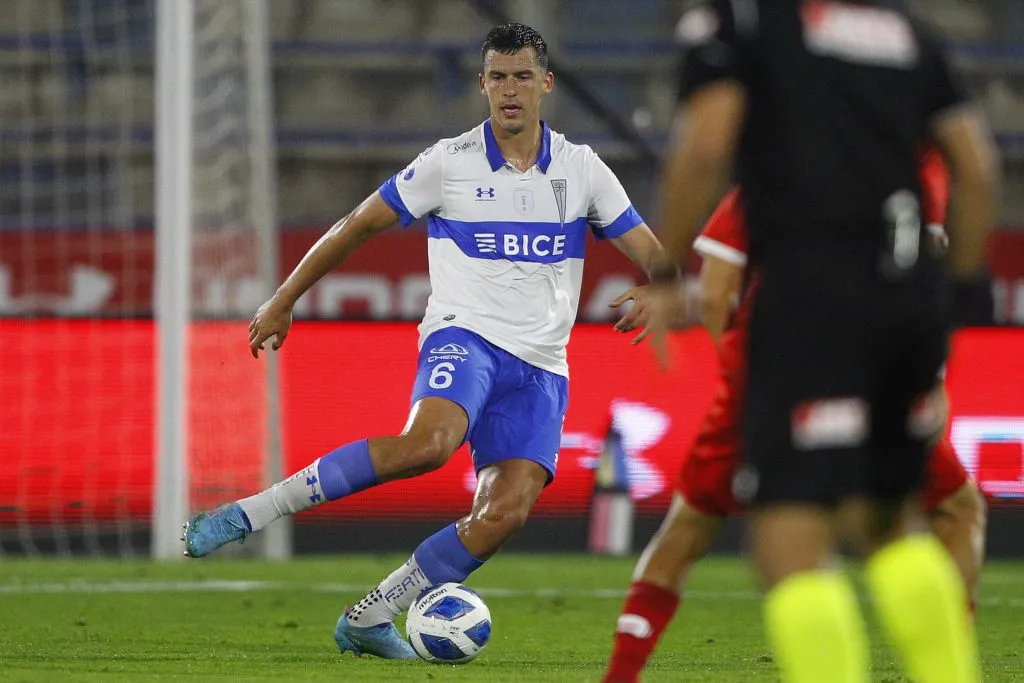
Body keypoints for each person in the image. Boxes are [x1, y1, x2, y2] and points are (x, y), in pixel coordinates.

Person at [182, 23, 666, 660]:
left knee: (504, 514)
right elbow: (357, 225)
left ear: (546, 84)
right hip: (464, 337)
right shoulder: (450, 162)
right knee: (429, 443)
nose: (510, 89)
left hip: (543, 366)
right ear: (483, 84)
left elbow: (658, 256)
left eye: (523, 76)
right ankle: (253, 512)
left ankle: (372, 614)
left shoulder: (581, 170)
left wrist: (662, 294)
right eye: (498, 77)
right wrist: (284, 297)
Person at [632, 2, 999, 681]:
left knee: (790, 538)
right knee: (892, 524)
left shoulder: (739, 20)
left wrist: (665, 268)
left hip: (813, 293)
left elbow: (706, 146)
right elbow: (976, 168)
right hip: (911, 293)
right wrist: (965, 288)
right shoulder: (906, 30)